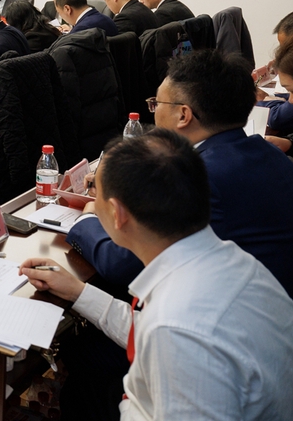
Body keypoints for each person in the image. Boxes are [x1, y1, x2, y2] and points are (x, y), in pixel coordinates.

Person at [21, 130, 293, 421]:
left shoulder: (176, 328)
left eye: (95, 192)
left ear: (117, 214)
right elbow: (149, 329)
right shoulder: (236, 264)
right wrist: (78, 292)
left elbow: (168, 335)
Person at [66, 50, 293, 297]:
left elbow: (121, 264)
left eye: (156, 104)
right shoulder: (268, 153)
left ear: (183, 115)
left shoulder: (201, 179)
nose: (153, 113)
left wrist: (87, 219)